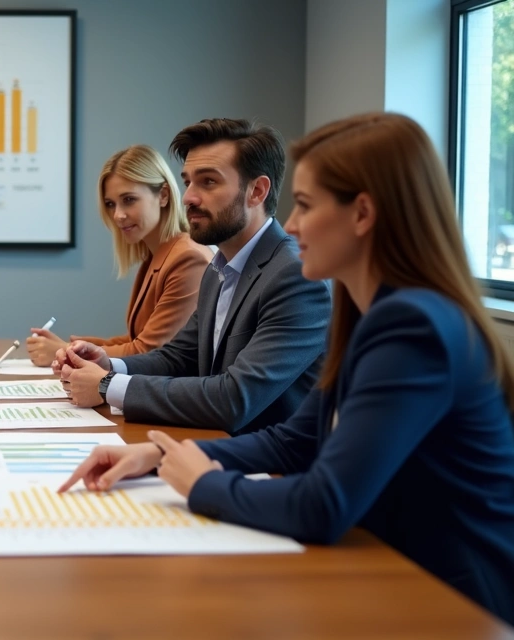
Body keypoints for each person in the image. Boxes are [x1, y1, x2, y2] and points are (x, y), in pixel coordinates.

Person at [59, 113, 514, 625]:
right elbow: (295, 441)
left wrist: (204, 484)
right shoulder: (369, 313)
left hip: (448, 600)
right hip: (388, 566)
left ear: (362, 214)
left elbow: (325, 504)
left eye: (305, 205)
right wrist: (162, 455)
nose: (292, 226)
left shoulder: (413, 328)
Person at [56, 118, 331, 434]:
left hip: (270, 469)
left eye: (208, 182)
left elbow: (234, 399)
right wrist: (110, 365)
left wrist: (108, 385)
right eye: (188, 182)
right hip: (215, 448)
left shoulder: (296, 277)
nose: (188, 197)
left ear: (257, 191)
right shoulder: (220, 267)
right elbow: (179, 356)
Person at [27, 145, 212, 365]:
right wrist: (73, 347)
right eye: (110, 204)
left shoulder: (187, 259)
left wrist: (66, 350)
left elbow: (149, 351)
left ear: (163, 195)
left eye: (129, 200)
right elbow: (137, 339)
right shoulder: (156, 256)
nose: (118, 215)